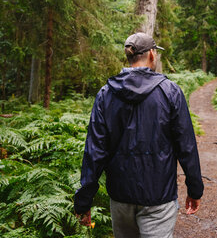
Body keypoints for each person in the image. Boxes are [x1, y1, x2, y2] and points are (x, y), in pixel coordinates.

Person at [74, 32, 204, 237]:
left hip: (120, 197)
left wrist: (83, 201)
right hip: (158, 197)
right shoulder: (170, 92)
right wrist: (194, 189)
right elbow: (186, 146)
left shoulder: (105, 94)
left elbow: (94, 151)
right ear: (152, 54)